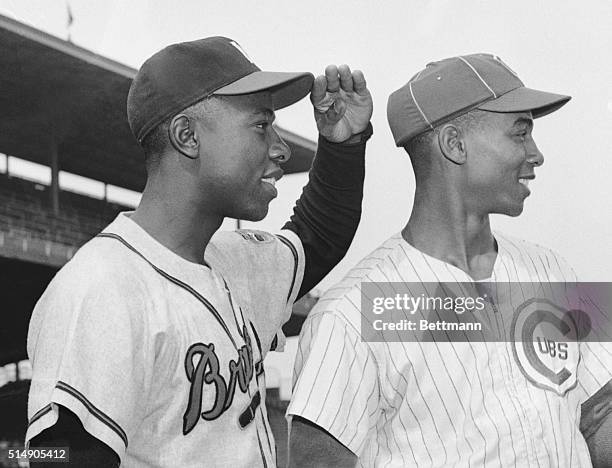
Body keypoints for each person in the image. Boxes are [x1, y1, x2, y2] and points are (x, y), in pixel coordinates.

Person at [25, 36, 373, 467]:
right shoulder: (100, 289)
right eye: (261, 126)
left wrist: (343, 146)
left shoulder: (236, 258)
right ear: (187, 136)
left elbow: (318, 237)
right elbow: (49, 457)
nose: (281, 148)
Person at [287, 53, 612, 467]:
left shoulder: (552, 271)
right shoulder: (349, 314)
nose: (536, 153)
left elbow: (600, 415)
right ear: (454, 144)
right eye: (520, 132)